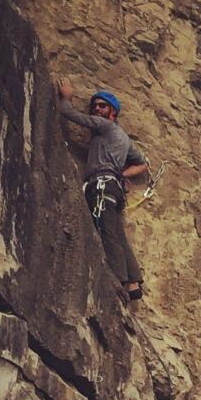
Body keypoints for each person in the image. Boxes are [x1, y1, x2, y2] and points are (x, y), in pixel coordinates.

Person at [57, 80, 149, 299]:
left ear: (113, 113)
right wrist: (121, 173)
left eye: (102, 106)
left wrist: (66, 97)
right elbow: (143, 163)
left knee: (107, 231)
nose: (97, 109)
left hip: (101, 185)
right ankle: (133, 283)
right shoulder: (124, 138)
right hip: (113, 186)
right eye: (95, 106)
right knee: (116, 233)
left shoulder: (104, 126)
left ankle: (118, 280)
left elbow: (68, 113)